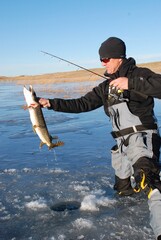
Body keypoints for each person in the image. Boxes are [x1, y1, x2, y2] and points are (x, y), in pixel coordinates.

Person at [34, 37, 161, 239]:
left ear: (119, 57)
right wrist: (50, 103)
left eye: (106, 58)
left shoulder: (140, 75)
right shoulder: (105, 87)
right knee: (123, 192)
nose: (103, 62)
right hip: (121, 147)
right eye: (101, 59)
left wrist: (132, 83)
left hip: (142, 138)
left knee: (150, 181)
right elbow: (81, 104)